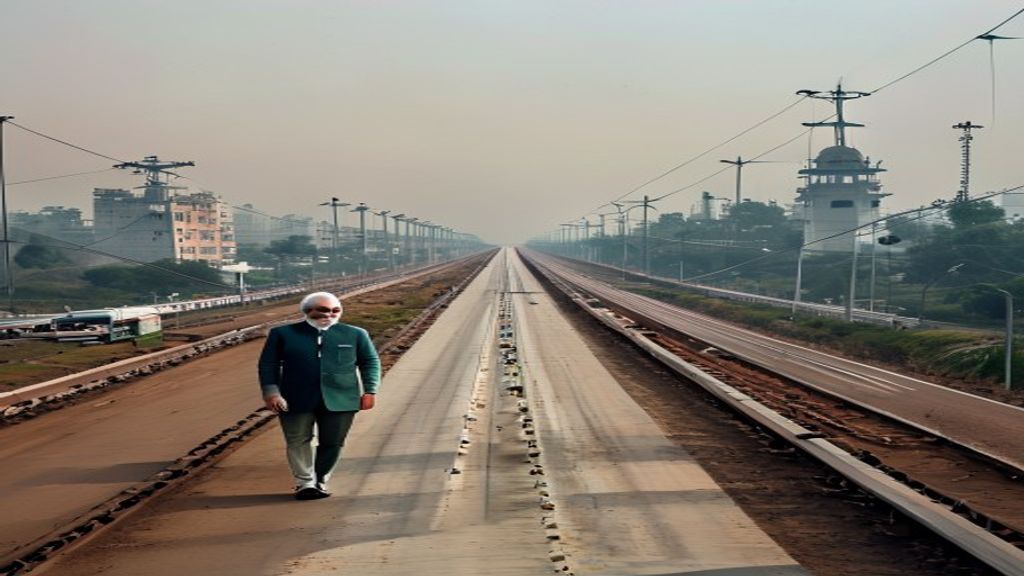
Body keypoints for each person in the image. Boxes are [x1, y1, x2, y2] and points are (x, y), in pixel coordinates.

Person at [258, 291, 381, 500]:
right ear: (307, 311)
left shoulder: (356, 334)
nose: (329, 315)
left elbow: (370, 362)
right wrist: (271, 392)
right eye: (323, 310)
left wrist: (370, 390)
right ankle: (305, 483)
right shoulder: (283, 334)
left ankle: (321, 479)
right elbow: (267, 364)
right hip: (294, 397)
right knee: (297, 440)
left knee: (333, 442)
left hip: (342, 397)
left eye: (335, 310)